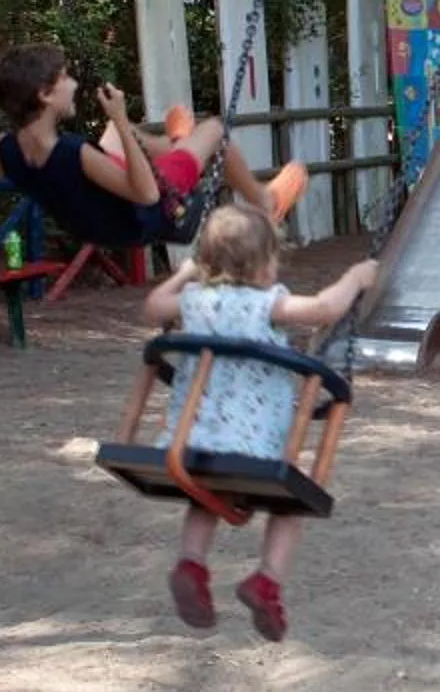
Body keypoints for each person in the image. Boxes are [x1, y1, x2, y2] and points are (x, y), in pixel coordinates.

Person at [139, 204, 379, 641]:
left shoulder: (193, 299)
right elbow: (325, 309)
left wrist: (184, 274)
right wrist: (357, 278)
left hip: (189, 447)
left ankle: (192, 561)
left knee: (205, 496)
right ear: (263, 265)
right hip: (253, 453)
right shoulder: (268, 304)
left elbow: (153, 305)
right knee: (290, 502)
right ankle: (266, 579)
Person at [0, 43, 305, 259]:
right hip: (149, 216)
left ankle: (176, 142)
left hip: (98, 221)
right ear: (45, 95)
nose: (75, 84)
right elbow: (148, 193)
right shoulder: (74, 153)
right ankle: (264, 201)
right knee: (214, 131)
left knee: (110, 136)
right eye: (66, 78)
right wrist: (121, 119)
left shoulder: (9, 149)